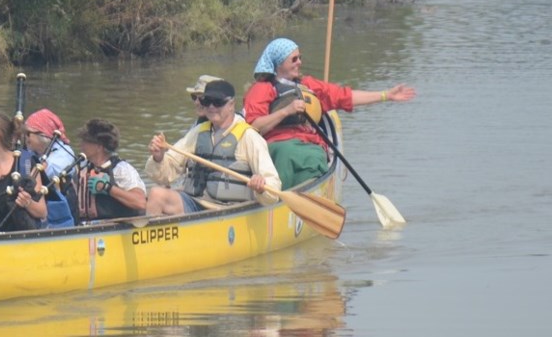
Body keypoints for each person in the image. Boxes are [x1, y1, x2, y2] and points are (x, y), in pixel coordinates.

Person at [243, 37, 417, 189]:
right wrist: (285, 111)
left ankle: (309, 188)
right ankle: (281, 195)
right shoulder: (262, 89)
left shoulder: (309, 85)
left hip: (309, 143)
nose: (299, 63)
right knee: (287, 153)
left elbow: (345, 96)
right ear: (279, 64)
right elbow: (254, 128)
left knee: (312, 155)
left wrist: (386, 95)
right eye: (294, 59)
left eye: (300, 58)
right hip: (277, 145)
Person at [145, 80, 280, 215]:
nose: (211, 106)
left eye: (217, 102)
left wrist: (261, 186)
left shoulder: (249, 136)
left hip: (229, 209)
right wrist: (158, 157)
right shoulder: (198, 132)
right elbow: (166, 174)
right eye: (206, 101)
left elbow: (273, 185)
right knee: (156, 194)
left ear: (231, 105)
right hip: (194, 203)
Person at [75, 118, 147, 221]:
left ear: (99, 147)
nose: (81, 144)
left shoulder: (121, 170)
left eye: (86, 141)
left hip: (115, 229)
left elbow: (140, 202)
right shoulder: (81, 167)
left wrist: (107, 187)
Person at [23, 108, 78, 228]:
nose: (25, 138)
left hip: (63, 211)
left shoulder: (65, 153)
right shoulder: (35, 151)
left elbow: (44, 170)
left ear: (42, 135)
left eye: (28, 134)